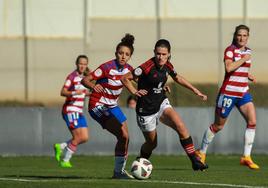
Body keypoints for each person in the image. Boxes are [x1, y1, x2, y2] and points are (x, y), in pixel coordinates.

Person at [121, 39, 208, 171]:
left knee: (180, 126)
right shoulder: (146, 67)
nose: (160, 57)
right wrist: (134, 91)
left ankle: (195, 162)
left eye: (163, 54)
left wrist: (195, 90)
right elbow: (125, 78)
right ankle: (139, 162)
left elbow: (177, 78)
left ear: (169, 54)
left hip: (161, 102)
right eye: (158, 54)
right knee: (152, 143)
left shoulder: (168, 65)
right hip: (146, 110)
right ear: (154, 53)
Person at [196, 24, 259, 170]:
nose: (242, 38)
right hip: (228, 93)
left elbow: (240, 69)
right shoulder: (230, 50)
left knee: (252, 121)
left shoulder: (248, 51)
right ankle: (202, 152)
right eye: (239, 35)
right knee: (218, 126)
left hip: (243, 92)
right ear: (235, 36)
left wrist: (247, 75)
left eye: (245, 35)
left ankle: (246, 157)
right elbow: (229, 68)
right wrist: (243, 59)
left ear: (248, 37)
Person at [81, 34, 141, 179]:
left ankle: (119, 171)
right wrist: (94, 86)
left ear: (130, 57)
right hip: (98, 105)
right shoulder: (106, 67)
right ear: (116, 53)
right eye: (121, 53)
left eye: (127, 54)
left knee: (126, 138)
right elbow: (85, 79)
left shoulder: (129, 70)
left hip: (112, 105)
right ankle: (118, 172)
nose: (123, 56)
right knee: (123, 135)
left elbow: (142, 82)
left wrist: (161, 88)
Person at [54, 55, 90, 168]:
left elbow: (84, 92)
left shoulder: (85, 78)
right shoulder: (72, 77)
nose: (82, 66)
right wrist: (75, 92)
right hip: (70, 110)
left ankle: (61, 146)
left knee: (84, 137)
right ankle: (65, 160)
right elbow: (63, 92)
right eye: (80, 63)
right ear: (76, 64)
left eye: (84, 64)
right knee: (78, 137)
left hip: (79, 111)